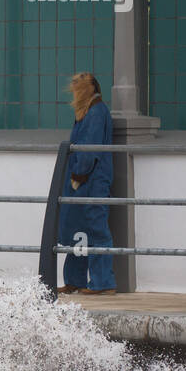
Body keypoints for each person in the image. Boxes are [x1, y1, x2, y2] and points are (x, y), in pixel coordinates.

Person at [57, 71, 116, 295]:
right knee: (77, 230)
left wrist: (78, 175)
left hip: (91, 180)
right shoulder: (86, 112)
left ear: (90, 87)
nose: (74, 86)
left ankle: (103, 283)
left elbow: (89, 148)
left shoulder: (96, 112)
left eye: (78, 83)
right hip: (81, 181)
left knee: (95, 228)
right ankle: (75, 280)